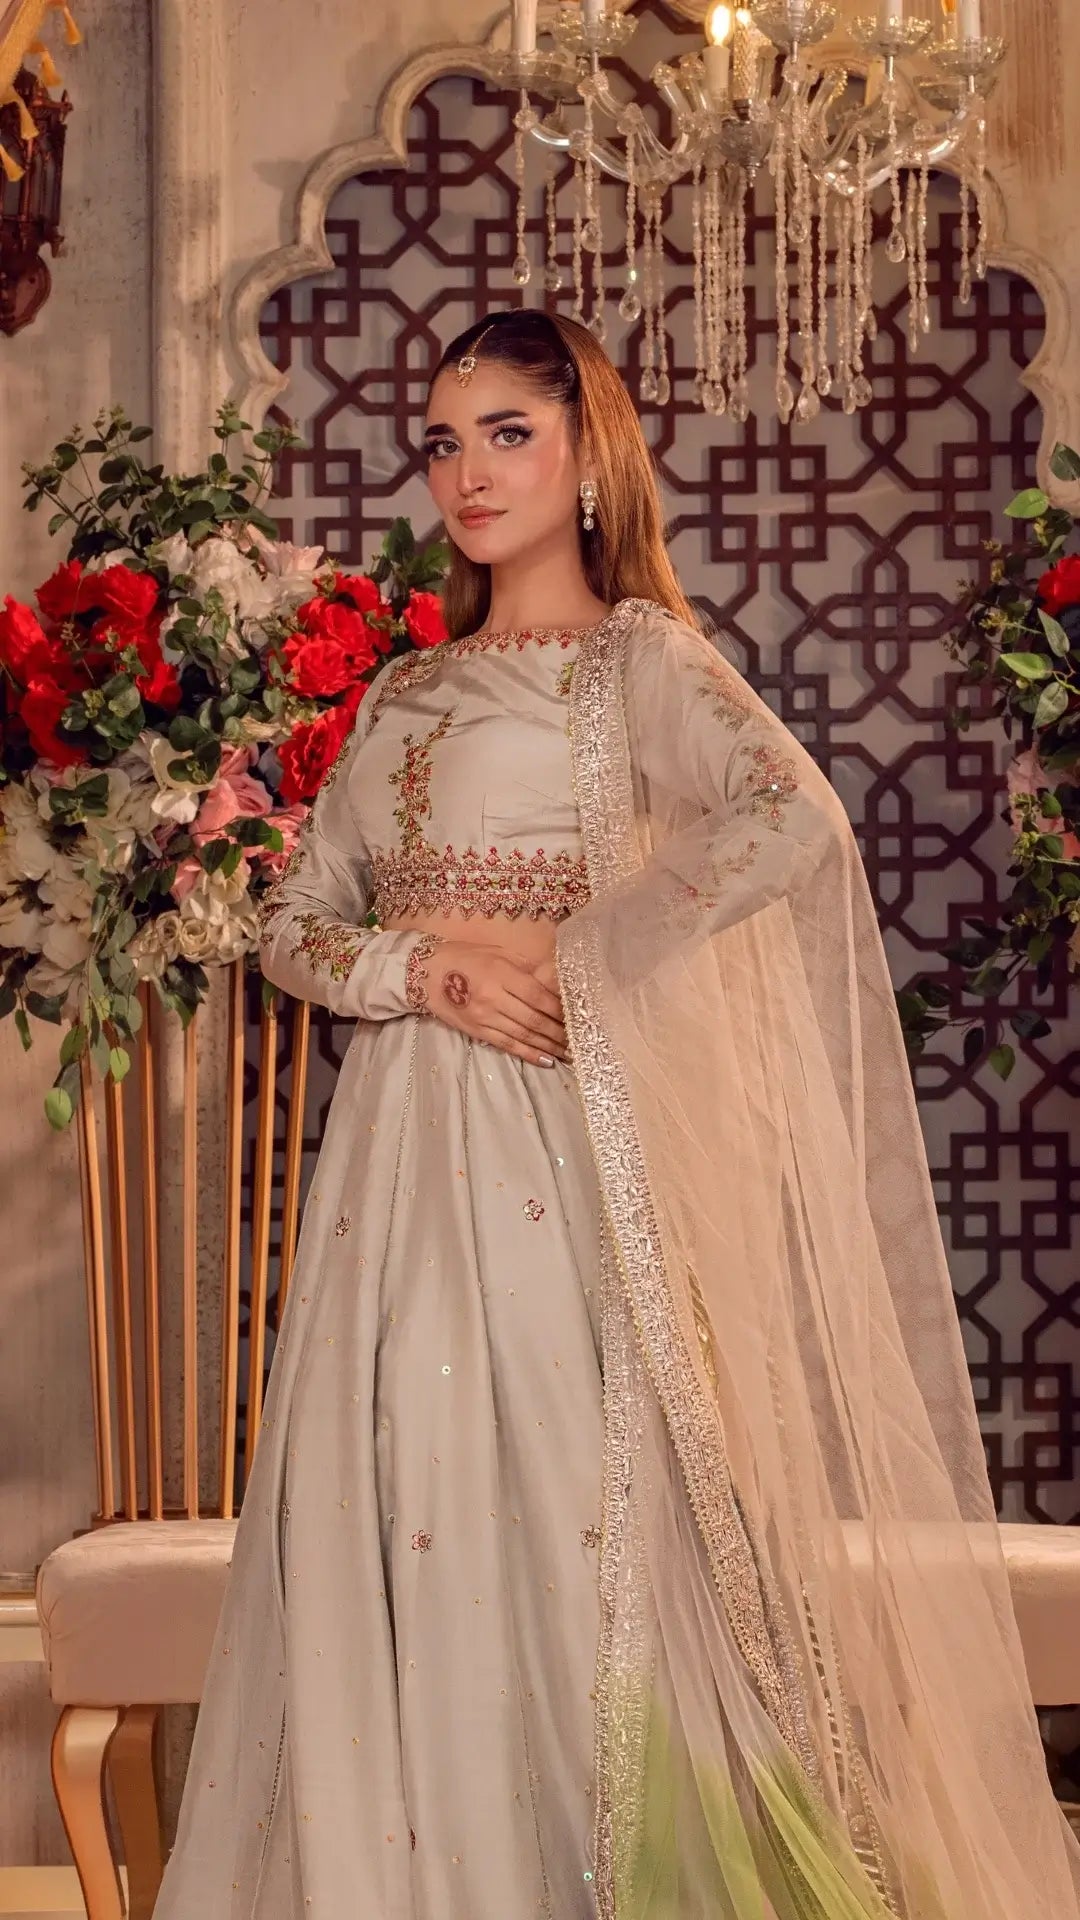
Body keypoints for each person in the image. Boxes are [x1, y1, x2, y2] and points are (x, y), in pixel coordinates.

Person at [152, 308, 1080, 1920]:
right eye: (444, 442)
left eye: (508, 434)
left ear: (590, 454)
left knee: (562, 1518)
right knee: (398, 1498)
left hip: (559, 1149)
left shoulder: (637, 662)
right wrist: (425, 970)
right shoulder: (403, 694)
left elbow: (792, 820)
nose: (468, 473)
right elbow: (293, 925)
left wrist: (587, 958)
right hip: (396, 1165)